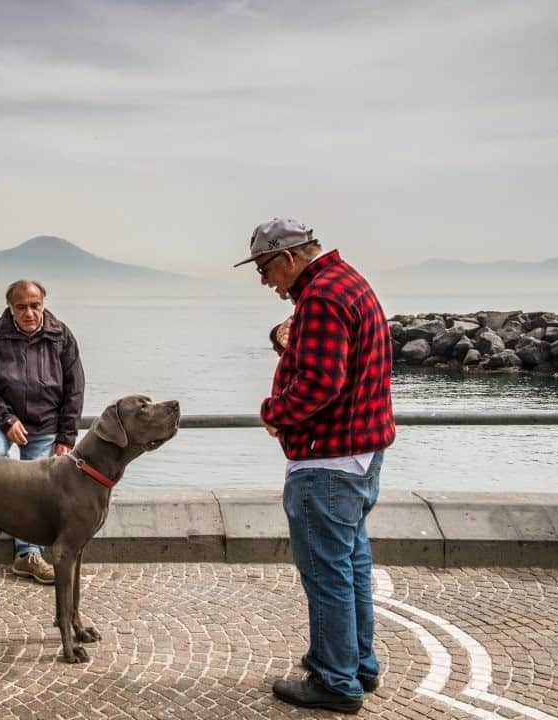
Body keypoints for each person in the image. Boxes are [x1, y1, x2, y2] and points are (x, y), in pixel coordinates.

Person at [235, 218, 395, 714]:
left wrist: (273, 413)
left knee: (326, 573)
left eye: (264, 269)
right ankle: (357, 664)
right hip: (361, 454)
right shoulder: (347, 281)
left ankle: (335, 681)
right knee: (350, 566)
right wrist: (288, 343)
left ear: (288, 257)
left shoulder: (321, 297)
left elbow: (321, 384)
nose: (265, 282)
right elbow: (337, 362)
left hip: (329, 460)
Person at [0, 279, 85, 584]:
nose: (29, 313)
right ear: (10, 307)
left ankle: (27, 554)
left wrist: (66, 437)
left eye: (35, 305)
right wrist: (5, 419)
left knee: (35, 488)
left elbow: (75, 388)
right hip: (2, 418)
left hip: (46, 425)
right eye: (21, 307)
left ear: (43, 303)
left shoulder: (61, 336)